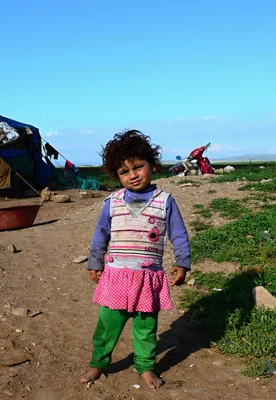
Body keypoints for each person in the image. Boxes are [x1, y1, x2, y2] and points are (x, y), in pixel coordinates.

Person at [79, 129, 191, 389]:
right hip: (116, 277)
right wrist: (95, 261)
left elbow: (178, 234)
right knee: (107, 327)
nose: (132, 175)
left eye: (138, 167)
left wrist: (182, 262)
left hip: (148, 278)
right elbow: (100, 235)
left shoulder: (165, 201)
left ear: (153, 165)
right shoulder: (112, 202)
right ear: (116, 176)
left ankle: (145, 367)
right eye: (124, 172)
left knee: (146, 329)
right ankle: (98, 364)